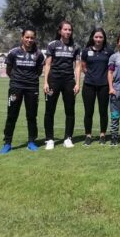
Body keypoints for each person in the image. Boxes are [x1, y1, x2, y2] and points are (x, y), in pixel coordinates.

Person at [0, 27, 45, 154]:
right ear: (22, 37)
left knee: (31, 116)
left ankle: (31, 142)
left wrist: (29, 80)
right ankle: (7, 143)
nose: (29, 40)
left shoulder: (39, 54)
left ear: (34, 39)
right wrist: (17, 80)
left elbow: (39, 71)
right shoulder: (13, 52)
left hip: (32, 88)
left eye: (32, 38)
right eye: (27, 37)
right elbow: (9, 70)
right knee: (12, 115)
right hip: (16, 87)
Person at [43, 20, 81, 150]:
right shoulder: (52, 45)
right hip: (53, 80)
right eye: (65, 29)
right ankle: (49, 139)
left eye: (70, 30)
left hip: (69, 81)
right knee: (49, 111)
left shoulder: (75, 46)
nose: (68, 32)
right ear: (60, 31)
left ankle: (68, 138)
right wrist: (45, 82)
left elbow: (77, 66)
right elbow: (47, 64)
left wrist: (77, 83)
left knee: (70, 111)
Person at [81, 28, 113, 146]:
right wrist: (90, 75)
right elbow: (83, 66)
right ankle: (88, 135)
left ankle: (102, 135)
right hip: (89, 85)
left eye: (100, 37)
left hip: (104, 85)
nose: (98, 39)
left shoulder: (109, 51)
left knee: (103, 111)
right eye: (96, 37)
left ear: (104, 38)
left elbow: (112, 67)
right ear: (92, 38)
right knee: (88, 111)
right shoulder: (86, 51)